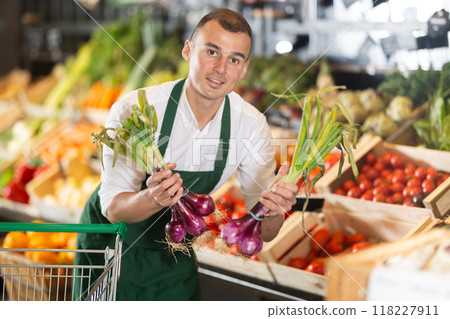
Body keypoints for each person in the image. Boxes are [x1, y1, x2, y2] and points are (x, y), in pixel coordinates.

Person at [73, 8, 299, 301]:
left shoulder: (251, 125)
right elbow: (115, 209)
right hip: (112, 246)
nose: (221, 68)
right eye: (212, 52)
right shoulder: (137, 109)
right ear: (187, 50)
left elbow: (265, 232)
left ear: (244, 69)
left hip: (175, 247)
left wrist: (275, 208)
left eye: (234, 59)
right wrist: (152, 198)